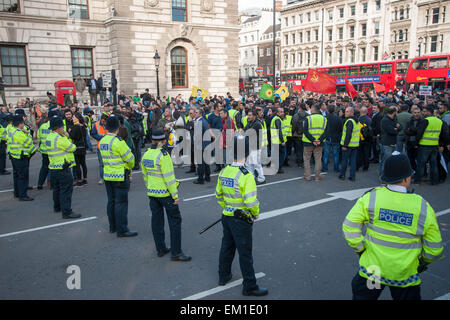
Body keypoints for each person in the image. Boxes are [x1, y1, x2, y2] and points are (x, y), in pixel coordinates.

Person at [343, 154, 443, 300]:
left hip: (374, 270)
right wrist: (421, 262)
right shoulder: (421, 206)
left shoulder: (372, 197)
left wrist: (361, 249)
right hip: (405, 273)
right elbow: (435, 248)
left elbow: (349, 227)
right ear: (406, 178)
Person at [215, 135, 268, 296]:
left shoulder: (224, 171)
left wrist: (228, 208)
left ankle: (223, 276)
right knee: (245, 253)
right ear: (247, 152)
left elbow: (218, 195)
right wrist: (255, 214)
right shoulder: (246, 175)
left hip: (227, 216)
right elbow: (251, 201)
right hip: (242, 219)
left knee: (227, 247)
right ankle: (250, 286)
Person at [141, 129, 191, 261]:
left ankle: (161, 248)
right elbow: (169, 178)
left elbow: (145, 175)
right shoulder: (163, 155)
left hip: (152, 193)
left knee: (156, 221)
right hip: (166, 194)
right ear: (163, 141)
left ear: (152, 140)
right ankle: (176, 252)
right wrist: (175, 196)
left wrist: (149, 187)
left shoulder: (146, 154)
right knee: (175, 221)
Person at [100, 115, 137, 237]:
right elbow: (130, 159)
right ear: (117, 127)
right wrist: (130, 167)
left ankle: (113, 226)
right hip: (120, 176)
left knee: (111, 201)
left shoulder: (103, 141)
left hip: (108, 175)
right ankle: (122, 230)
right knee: (121, 203)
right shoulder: (118, 142)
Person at [46, 116, 81, 219]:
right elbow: (72, 148)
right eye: (62, 127)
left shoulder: (50, 137)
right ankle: (67, 212)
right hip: (63, 167)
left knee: (56, 189)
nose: (63, 129)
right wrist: (67, 136)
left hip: (53, 167)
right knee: (66, 190)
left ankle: (57, 207)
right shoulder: (60, 138)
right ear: (58, 128)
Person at [414, 105, 448, 185]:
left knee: (421, 164)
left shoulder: (425, 120)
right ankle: (434, 181)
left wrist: (416, 143)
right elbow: (443, 134)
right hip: (434, 145)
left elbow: (419, 133)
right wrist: (443, 144)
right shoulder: (439, 121)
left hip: (424, 145)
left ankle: (418, 181)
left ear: (429, 112)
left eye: (424, 111)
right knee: (434, 164)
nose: (423, 112)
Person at [8, 115, 37, 201]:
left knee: (17, 176)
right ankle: (23, 195)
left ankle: (17, 193)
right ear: (20, 124)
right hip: (21, 157)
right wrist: (27, 133)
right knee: (23, 177)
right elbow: (29, 142)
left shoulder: (12, 130)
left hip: (14, 156)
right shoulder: (19, 133)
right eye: (22, 123)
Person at [302, 104, 327, 181]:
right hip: (320, 143)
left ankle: (307, 176)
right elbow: (326, 132)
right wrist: (319, 140)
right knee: (318, 160)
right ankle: (317, 176)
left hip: (308, 142)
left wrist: (313, 140)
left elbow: (305, 131)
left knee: (307, 159)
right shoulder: (324, 119)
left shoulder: (308, 118)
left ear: (313, 110)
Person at [37, 110, 58, 189]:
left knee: (44, 167)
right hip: (53, 150)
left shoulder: (43, 126)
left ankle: (40, 183)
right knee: (53, 167)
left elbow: (39, 137)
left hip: (44, 150)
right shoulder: (55, 126)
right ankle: (52, 184)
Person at [244, 109, 265, 184]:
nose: (248, 116)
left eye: (250, 115)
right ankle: (251, 177)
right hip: (250, 146)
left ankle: (261, 178)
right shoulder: (250, 122)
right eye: (248, 115)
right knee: (249, 163)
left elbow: (247, 132)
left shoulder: (257, 124)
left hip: (256, 147)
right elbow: (244, 130)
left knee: (256, 164)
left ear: (254, 116)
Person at [379, 106, 402, 177]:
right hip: (387, 144)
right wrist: (396, 128)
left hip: (393, 143)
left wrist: (396, 128)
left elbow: (401, 127)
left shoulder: (394, 119)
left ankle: (389, 175)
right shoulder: (385, 120)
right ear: (394, 112)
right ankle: (383, 176)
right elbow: (391, 131)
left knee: (391, 161)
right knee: (385, 161)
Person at [339, 107, 360, 181]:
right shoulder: (356, 121)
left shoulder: (349, 121)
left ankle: (342, 175)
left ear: (352, 113)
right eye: (346, 111)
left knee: (344, 160)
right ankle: (352, 176)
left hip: (348, 145)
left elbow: (348, 134)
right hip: (355, 145)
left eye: (347, 112)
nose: (345, 113)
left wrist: (345, 145)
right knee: (353, 161)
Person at [322, 104, 343, 173]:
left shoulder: (324, 118)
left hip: (327, 137)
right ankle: (336, 168)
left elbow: (323, 128)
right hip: (336, 138)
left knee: (326, 154)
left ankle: (325, 168)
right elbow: (341, 129)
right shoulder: (338, 118)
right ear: (334, 110)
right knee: (336, 154)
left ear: (327, 110)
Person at [193, 108, 211, 184]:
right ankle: (207, 177)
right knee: (206, 162)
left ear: (200, 114)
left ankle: (200, 179)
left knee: (201, 163)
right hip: (206, 144)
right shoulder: (204, 121)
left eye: (196, 112)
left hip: (201, 145)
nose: (195, 113)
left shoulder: (199, 122)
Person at [70, 113, 88, 187]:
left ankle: (79, 180)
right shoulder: (83, 126)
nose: (72, 118)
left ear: (77, 118)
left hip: (77, 147)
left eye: (74, 117)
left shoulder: (75, 127)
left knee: (77, 165)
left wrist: (70, 131)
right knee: (83, 164)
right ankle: (85, 179)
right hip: (83, 147)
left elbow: (72, 136)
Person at [91, 114, 109, 184]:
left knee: (108, 162)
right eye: (103, 121)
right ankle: (102, 178)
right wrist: (101, 138)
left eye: (105, 121)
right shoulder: (97, 124)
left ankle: (108, 177)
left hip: (109, 145)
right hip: (100, 146)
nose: (104, 123)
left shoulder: (109, 124)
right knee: (101, 164)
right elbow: (93, 133)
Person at [404, 106, 422, 171]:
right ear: (412, 113)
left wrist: (411, 129)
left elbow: (420, 132)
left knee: (419, 159)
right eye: (414, 112)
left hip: (418, 143)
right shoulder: (409, 121)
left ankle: (421, 173)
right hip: (409, 142)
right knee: (410, 159)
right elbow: (406, 131)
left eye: (418, 112)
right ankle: (414, 171)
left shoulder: (422, 121)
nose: (416, 114)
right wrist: (414, 131)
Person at [270, 107, 286, 174]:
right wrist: (282, 141)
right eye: (281, 112)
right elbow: (279, 131)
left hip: (275, 140)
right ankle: (278, 168)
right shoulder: (277, 119)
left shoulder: (276, 119)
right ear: (277, 113)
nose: (283, 113)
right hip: (279, 141)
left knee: (276, 155)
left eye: (283, 111)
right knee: (282, 155)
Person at [357, 107, 372, 172]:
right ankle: (365, 166)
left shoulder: (357, 119)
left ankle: (357, 166)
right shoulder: (369, 120)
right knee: (366, 153)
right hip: (367, 138)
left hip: (359, 138)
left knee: (358, 153)